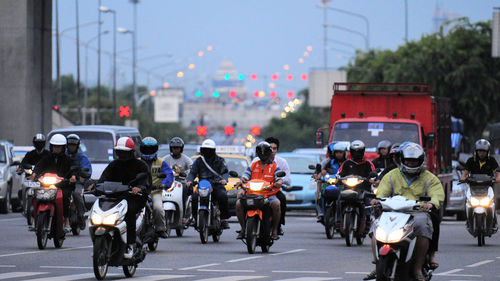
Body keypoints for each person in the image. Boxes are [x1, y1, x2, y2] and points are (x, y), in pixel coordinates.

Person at [367, 142, 445, 281]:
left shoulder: (430, 178)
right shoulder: (391, 175)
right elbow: (382, 193)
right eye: (408, 160)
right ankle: (377, 263)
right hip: (392, 212)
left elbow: (437, 195)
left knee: (423, 227)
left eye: (414, 161)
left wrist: (431, 203)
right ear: (402, 160)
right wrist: (377, 200)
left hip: (417, 212)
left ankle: (417, 268)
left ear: (420, 161)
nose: (411, 163)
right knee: (376, 226)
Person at [89, 137, 151, 258]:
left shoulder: (140, 165)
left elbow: (146, 182)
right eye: (120, 151)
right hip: (114, 198)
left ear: (131, 152)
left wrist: (139, 188)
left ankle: (131, 244)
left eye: (125, 152)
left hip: (133, 198)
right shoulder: (113, 165)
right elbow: (103, 178)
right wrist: (95, 186)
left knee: (130, 213)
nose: (122, 154)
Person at [235, 141, 283, 240]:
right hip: (251, 194)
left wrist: (279, 181)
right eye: (261, 153)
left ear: (269, 153)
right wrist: (241, 181)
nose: (263, 155)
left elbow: (278, 177)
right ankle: (243, 229)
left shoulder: (274, 166)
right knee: (238, 204)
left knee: (276, 204)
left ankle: (274, 230)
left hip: (268, 194)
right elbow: (245, 176)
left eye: (265, 153)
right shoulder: (253, 165)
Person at [31, 134, 77, 232]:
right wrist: (34, 174)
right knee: (35, 195)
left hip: (63, 186)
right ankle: (35, 219)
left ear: (63, 147)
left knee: (65, 197)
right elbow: (39, 166)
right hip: (47, 185)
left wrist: (72, 176)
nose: (56, 148)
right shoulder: (47, 158)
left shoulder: (68, 160)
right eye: (54, 146)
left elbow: (74, 168)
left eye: (58, 147)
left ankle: (66, 220)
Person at [187, 139, 230, 229]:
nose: (207, 152)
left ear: (213, 151)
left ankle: (224, 219)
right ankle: (195, 219)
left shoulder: (220, 160)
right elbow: (192, 172)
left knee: (223, 196)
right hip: (203, 185)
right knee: (194, 198)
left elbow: (225, 171)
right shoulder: (199, 161)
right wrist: (189, 180)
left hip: (216, 184)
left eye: (209, 150)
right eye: (205, 150)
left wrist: (224, 180)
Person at [139, 137, 174, 239]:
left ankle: (160, 228)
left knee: (158, 208)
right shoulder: (137, 162)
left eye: (151, 149)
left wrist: (164, 184)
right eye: (146, 149)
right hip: (139, 191)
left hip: (155, 192)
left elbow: (169, 175)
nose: (148, 151)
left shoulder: (161, 162)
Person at [314, 142, 347, 222]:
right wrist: (318, 175)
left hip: (344, 186)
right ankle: (321, 212)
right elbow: (321, 170)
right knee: (320, 193)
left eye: (340, 152)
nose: (338, 154)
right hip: (330, 184)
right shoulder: (329, 162)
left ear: (344, 153)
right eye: (336, 152)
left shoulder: (348, 163)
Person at [265, 136, 291, 235]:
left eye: (274, 148)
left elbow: (288, 180)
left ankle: (278, 225)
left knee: (282, 199)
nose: (272, 151)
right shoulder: (255, 162)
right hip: (258, 191)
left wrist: (280, 181)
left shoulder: (280, 163)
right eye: (269, 148)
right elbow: (248, 175)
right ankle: (246, 226)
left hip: (273, 191)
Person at [66, 134, 92, 230]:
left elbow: (87, 169)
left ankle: (81, 215)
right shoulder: (62, 155)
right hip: (63, 182)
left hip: (77, 183)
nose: (71, 147)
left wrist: (82, 176)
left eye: (73, 145)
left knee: (76, 193)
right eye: (70, 145)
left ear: (77, 146)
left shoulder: (82, 157)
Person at [164, 137, 193, 222]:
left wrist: (186, 174)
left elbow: (192, 168)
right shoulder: (166, 159)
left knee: (183, 192)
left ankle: (183, 215)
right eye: (174, 148)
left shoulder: (186, 159)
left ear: (181, 149)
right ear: (171, 148)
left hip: (181, 183)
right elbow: (160, 168)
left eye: (178, 148)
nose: (176, 150)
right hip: (169, 182)